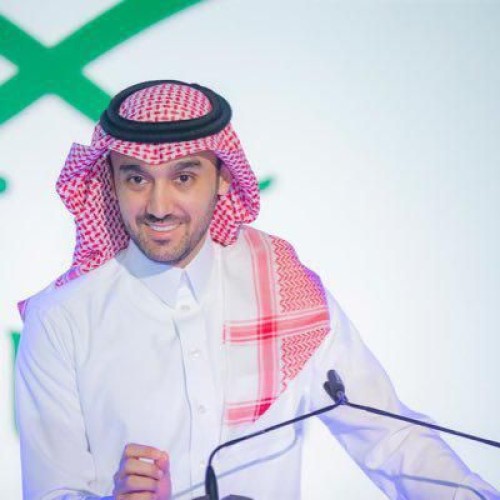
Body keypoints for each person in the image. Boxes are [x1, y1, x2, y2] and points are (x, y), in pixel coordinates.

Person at [15, 80, 498, 500]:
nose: (158, 206)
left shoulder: (282, 284)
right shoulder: (61, 318)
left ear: (223, 177)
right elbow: (53, 492)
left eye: (184, 177)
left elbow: (390, 440)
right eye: (137, 179)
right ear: (111, 181)